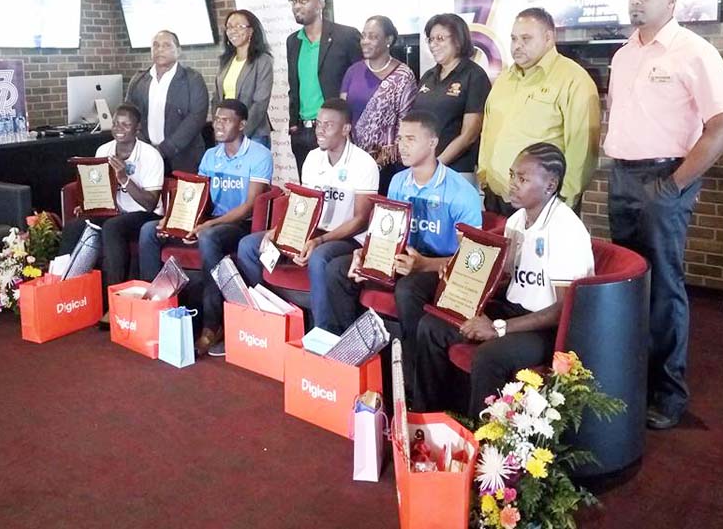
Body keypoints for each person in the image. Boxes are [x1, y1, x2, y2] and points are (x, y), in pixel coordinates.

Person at [605, 0, 723, 430]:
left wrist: (674, 185)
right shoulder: (624, 54)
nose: (636, 0)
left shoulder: (693, 51)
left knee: (664, 288)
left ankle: (668, 394)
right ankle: (632, 381)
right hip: (621, 178)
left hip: (665, 178)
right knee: (626, 286)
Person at [414, 143, 594, 419]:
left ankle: (483, 443)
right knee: (433, 326)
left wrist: (498, 328)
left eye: (522, 179)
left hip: (545, 326)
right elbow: (502, 276)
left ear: (550, 185)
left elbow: (564, 309)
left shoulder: (566, 230)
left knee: (489, 356)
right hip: (511, 308)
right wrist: (461, 282)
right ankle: (430, 418)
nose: (512, 185)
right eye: (512, 176)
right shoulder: (517, 220)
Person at [325, 110, 482, 385]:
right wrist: (365, 254)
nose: (402, 146)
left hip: (440, 264)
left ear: (433, 142)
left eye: (411, 139)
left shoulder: (459, 191)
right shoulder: (398, 181)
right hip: (402, 256)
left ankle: (410, 381)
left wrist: (425, 265)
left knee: (409, 288)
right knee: (339, 269)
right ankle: (348, 358)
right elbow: (387, 231)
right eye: (400, 138)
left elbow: (472, 261)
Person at [138, 99, 272, 356]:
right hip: (210, 221)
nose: (218, 125)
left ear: (242, 124)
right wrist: (177, 220)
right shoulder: (211, 155)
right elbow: (199, 197)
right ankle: (152, 310)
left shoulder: (259, 155)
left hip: (240, 226)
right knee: (149, 230)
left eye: (226, 120)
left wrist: (206, 225)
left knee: (209, 237)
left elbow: (249, 206)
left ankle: (212, 325)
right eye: (217, 119)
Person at [236, 98, 379, 332]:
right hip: (314, 231)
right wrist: (280, 231)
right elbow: (304, 206)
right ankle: (269, 317)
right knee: (249, 246)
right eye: (318, 123)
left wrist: (320, 240)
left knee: (319, 256)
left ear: (346, 129)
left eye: (328, 125)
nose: (320, 131)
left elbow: (360, 219)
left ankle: (325, 333)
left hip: (347, 237)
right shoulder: (312, 158)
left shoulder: (364, 163)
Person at [478, 7, 600, 216]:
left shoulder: (574, 79)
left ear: (548, 38)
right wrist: (484, 176)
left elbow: (583, 149)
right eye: (514, 39)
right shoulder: (505, 78)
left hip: (544, 203)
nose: (517, 46)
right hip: (497, 197)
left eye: (526, 38)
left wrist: (563, 200)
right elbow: (489, 130)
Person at [58, 103, 164, 320]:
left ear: (137, 128)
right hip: (114, 211)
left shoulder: (151, 156)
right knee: (74, 226)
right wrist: (88, 205)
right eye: (116, 123)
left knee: (113, 228)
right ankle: (60, 288)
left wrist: (124, 178)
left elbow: (150, 204)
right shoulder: (103, 150)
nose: (119, 128)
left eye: (126, 124)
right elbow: (99, 190)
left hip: (144, 215)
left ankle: (114, 302)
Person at [287, 0, 362, 173]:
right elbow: (294, 86)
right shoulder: (293, 41)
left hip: (335, 130)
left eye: (303, 1)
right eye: (294, 1)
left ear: (320, 4)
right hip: (302, 131)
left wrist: (349, 127)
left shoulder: (345, 36)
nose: (297, 6)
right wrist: (293, 124)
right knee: (309, 194)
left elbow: (359, 82)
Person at [340, 15, 417, 194]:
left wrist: (382, 158)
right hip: (355, 161)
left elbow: (406, 122)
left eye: (373, 37)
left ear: (388, 40)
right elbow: (343, 114)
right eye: (364, 36)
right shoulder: (353, 71)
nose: (365, 41)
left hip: (390, 165)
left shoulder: (404, 76)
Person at [411, 13, 491, 183]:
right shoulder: (428, 76)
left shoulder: (474, 75)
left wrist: (437, 164)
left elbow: (470, 133)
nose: (433, 45)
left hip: (456, 171)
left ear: (458, 40)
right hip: (423, 168)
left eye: (440, 38)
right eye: (430, 39)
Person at [125, 30, 209, 173]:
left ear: (179, 51)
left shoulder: (192, 79)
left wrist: (164, 149)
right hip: (146, 157)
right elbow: (129, 116)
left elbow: (196, 118)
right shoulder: (139, 80)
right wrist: (146, 148)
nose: (160, 49)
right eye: (156, 45)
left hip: (184, 157)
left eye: (166, 45)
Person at [213, 9, 274, 149]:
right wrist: (219, 127)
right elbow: (216, 99)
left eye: (239, 26)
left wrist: (239, 133)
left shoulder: (263, 60)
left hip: (253, 134)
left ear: (251, 31)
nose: (233, 30)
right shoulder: (226, 61)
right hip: (226, 134)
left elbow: (260, 103)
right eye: (229, 27)